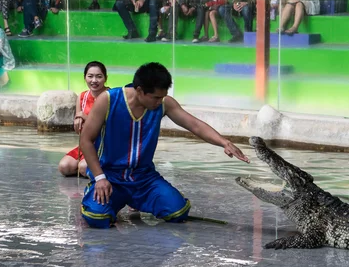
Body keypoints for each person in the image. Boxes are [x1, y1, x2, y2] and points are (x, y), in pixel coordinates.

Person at [79, 62, 250, 229]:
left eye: (162, 96)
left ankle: (137, 200)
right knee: (97, 217)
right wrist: (100, 177)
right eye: (155, 97)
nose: (159, 101)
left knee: (178, 212)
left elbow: (194, 125)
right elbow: (85, 139)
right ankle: (96, 193)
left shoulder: (163, 103)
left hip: (143, 178)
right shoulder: (108, 100)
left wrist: (224, 142)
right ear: (139, 91)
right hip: (110, 176)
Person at [58, 61, 110, 177]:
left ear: (105, 78)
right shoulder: (82, 97)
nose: (94, 80)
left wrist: (88, 119)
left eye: (99, 76)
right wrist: (78, 124)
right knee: (64, 167)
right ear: (85, 77)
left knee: (83, 167)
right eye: (90, 76)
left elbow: (113, 128)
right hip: (86, 144)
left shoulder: (111, 96)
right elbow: (79, 132)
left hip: (105, 146)